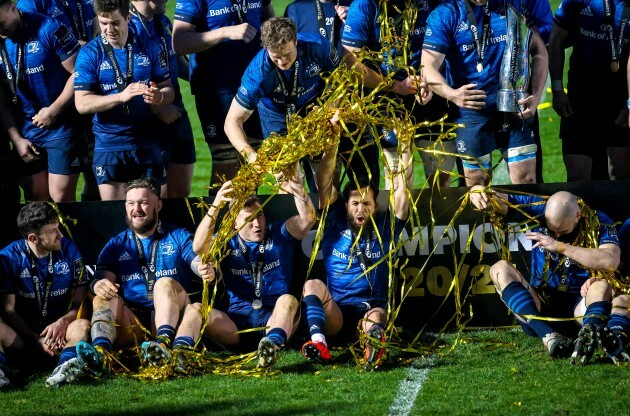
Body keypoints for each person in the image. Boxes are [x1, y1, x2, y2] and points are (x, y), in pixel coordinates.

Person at [48, 177, 214, 385]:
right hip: (132, 322)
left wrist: (203, 268)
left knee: (163, 283)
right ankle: (102, 354)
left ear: (158, 205)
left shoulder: (177, 235)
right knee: (103, 294)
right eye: (130, 203)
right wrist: (99, 283)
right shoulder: (117, 244)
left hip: (172, 318)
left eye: (144, 202)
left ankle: (163, 345)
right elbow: (102, 276)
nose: (137, 209)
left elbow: (195, 260)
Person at [300, 122, 413, 369]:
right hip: (336, 315)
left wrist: (404, 147)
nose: (360, 209)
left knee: (378, 315)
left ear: (376, 206)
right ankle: (319, 343)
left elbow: (403, 191)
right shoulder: (334, 221)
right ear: (346, 206)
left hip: (369, 310)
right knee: (312, 285)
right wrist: (331, 143)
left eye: (367, 204)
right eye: (354, 204)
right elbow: (324, 182)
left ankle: (374, 347)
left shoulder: (386, 228)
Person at [469, 187, 621, 363]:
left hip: (579, 306)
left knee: (601, 286)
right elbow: (499, 200)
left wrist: (560, 246)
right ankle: (548, 336)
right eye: (551, 229)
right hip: (540, 304)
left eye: (563, 232)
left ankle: (586, 338)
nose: (556, 235)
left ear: (578, 216)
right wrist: (477, 191)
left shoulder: (598, 221)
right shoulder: (539, 208)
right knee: (499, 269)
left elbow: (611, 261)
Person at [190, 163, 317, 368]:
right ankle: (178, 352)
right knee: (196, 309)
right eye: (249, 219)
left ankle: (270, 349)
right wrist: (215, 207)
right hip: (235, 327)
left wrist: (296, 184)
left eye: (259, 216)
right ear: (234, 222)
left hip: (275, 320)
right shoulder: (227, 240)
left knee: (288, 300)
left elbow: (308, 219)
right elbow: (199, 247)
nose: (257, 224)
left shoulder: (279, 233)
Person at [422, 0, 551, 186]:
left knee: (527, 180)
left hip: (513, 106)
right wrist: (452, 94)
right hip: (471, 112)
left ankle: (524, 216)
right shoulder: (446, 13)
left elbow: (539, 51)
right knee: (477, 186)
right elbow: (428, 66)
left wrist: (537, 95)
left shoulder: (512, 6)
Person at [340, 0, 454, 188]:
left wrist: (430, 80)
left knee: (440, 176)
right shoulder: (364, 5)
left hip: (430, 92)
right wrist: (394, 85)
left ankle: (436, 216)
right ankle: (401, 218)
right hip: (386, 98)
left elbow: (446, 43)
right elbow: (349, 61)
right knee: (397, 175)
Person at [74, 0, 175, 201]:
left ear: (128, 17)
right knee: (114, 215)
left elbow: (168, 88)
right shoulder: (90, 54)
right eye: (103, 23)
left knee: (155, 209)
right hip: (109, 144)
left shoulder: (148, 46)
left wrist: (160, 97)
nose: (109, 29)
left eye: (115, 23)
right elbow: (82, 104)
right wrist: (121, 96)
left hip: (145, 142)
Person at [224, 17, 340, 188]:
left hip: (313, 109)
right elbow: (231, 122)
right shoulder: (257, 73)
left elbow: (339, 80)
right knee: (287, 181)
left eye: (287, 54)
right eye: (275, 57)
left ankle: (327, 213)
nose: (282, 62)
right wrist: (250, 156)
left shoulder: (318, 46)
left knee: (327, 177)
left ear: (296, 41)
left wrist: (329, 106)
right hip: (276, 117)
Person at [172, 0, 273, 189]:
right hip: (217, 89)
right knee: (225, 164)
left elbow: (268, 17)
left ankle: (246, 218)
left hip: (257, 85)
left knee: (254, 164)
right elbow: (179, 43)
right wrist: (225, 32)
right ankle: (221, 217)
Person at [16, 0, 101, 202]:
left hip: (95, 95)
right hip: (63, 107)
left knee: (96, 176)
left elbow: (100, 31)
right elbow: (31, 50)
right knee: (51, 192)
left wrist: (90, 48)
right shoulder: (32, 4)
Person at [0, 0, 84, 202]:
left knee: (60, 196)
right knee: (36, 196)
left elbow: (79, 72)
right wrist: (17, 139)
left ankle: (69, 234)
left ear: (13, 7)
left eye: (1, 23)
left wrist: (54, 110)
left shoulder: (49, 28)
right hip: (26, 132)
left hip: (61, 127)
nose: (0, 30)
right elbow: (1, 99)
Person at [0, 202, 90, 389]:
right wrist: (36, 339)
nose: (61, 235)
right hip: (23, 337)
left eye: (58, 228)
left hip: (59, 335)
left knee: (82, 325)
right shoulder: (9, 257)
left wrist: (63, 321)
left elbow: (79, 299)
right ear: (33, 238)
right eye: (53, 231)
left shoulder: (69, 249)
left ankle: (64, 368)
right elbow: (8, 310)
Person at [548, 0, 630, 182]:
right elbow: (555, 39)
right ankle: (580, 212)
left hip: (620, 101)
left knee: (621, 174)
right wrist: (557, 90)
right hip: (580, 99)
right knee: (578, 176)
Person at [130, 0, 196, 198]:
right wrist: (157, 109)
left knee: (182, 191)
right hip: (151, 121)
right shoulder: (128, 29)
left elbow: (178, 63)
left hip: (177, 111)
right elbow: (122, 79)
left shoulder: (164, 21)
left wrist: (209, 81)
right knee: (157, 193)